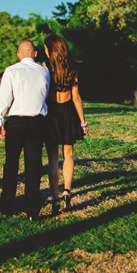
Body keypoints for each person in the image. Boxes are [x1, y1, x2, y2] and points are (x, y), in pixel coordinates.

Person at [0, 40, 50, 220]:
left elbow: (4, 99)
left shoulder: (11, 71)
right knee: (33, 165)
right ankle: (33, 209)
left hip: (16, 122)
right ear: (35, 54)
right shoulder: (44, 71)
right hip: (37, 122)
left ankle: (7, 205)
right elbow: (45, 95)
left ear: (18, 54)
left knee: (11, 163)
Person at [43, 34, 88, 214]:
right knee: (68, 154)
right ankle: (67, 192)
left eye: (46, 48)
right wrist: (83, 122)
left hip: (52, 114)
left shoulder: (45, 68)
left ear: (51, 49)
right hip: (68, 112)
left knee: (53, 158)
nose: (44, 50)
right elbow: (76, 97)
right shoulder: (72, 67)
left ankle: (55, 198)